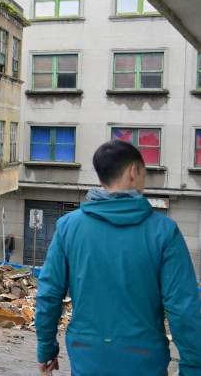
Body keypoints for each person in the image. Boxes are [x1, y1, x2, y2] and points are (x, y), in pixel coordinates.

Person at [35, 140, 201, 375]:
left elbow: (49, 294)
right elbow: (183, 308)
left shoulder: (68, 227)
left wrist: (46, 348)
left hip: (87, 355)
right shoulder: (164, 232)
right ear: (134, 172)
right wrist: (194, 366)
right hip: (144, 358)